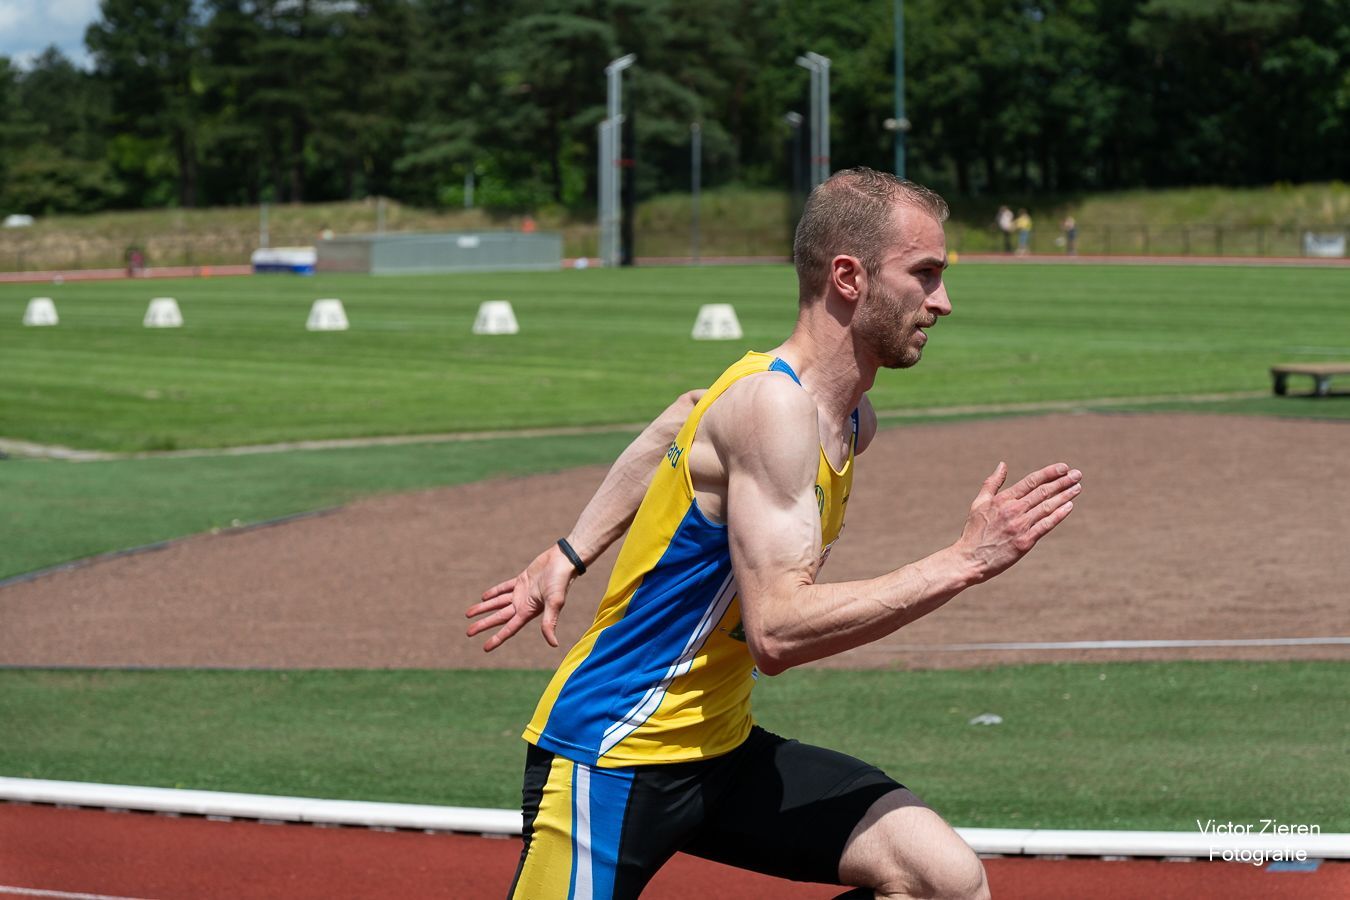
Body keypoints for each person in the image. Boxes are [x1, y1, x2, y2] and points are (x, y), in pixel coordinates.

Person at [467, 167, 1082, 900]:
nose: (943, 301)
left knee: (941, 880)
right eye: (925, 274)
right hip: (613, 750)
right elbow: (778, 632)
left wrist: (570, 551)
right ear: (848, 277)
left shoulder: (845, 418)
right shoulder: (772, 408)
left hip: (720, 749)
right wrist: (966, 560)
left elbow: (684, 413)